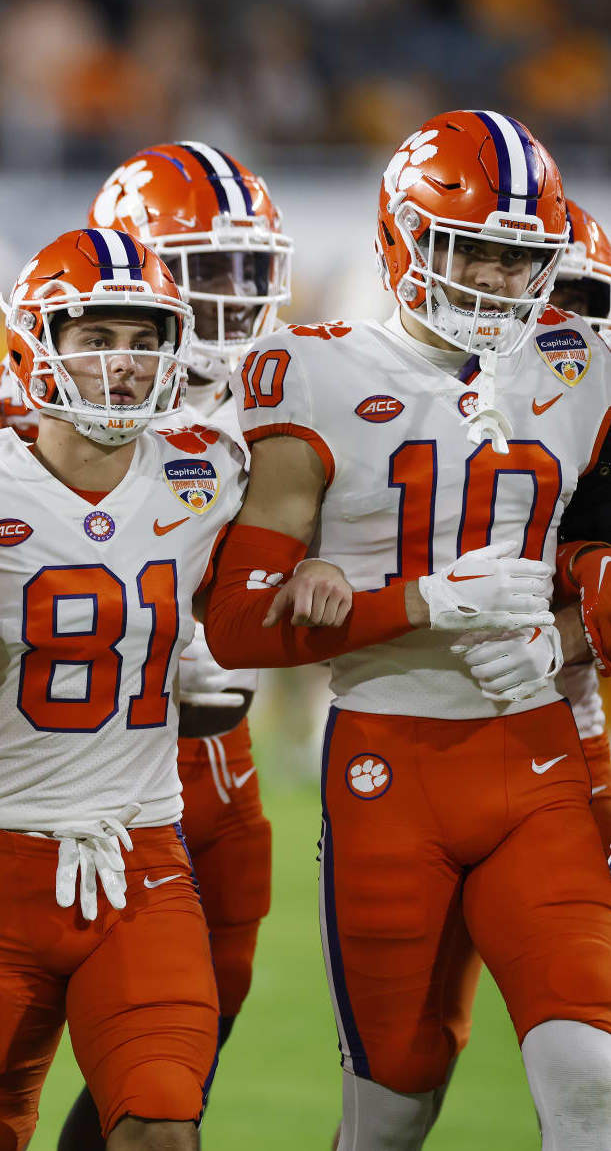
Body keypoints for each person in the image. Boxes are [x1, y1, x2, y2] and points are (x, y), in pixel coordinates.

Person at [202, 110, 611, 1147]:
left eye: (519, 257)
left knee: (592, 1077)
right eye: (467, 246)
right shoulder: (313, 370)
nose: (492, 278)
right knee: (388, 1108)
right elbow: (240, 628)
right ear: (400, 236)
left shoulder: (580, 360)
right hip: (387, 760)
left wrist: (563, 636)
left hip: (533, 752)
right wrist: (421, 601)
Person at [0, 226, 240, 1151]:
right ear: (34, 345)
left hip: (143, 853)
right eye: (96, 338)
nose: (123, 365)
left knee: (163, 1126)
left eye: (143, 338)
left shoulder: (206, 472)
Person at [56, 141, 294, 1148]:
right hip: (76, 752)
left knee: (205, 1006)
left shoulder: (277, 393)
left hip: (214, 742)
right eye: (201, 271)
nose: (231, 301)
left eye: (246, 271)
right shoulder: (54, 394)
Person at [550, 197, 611, 860]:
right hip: (412, 724)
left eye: (575, 297)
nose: (556, 319)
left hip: (567, 719)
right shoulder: (418, 409)